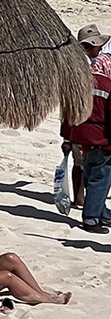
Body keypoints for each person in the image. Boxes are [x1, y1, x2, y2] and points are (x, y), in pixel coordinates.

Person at [64, 25, 111, 234]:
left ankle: (101, 212)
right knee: (101, 177)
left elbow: (69, 109)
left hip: (80, 133)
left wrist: (67, 135)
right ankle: (92, 218)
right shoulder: (106, 84)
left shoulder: (80, 80)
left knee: (90, 172)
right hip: (101, 137)